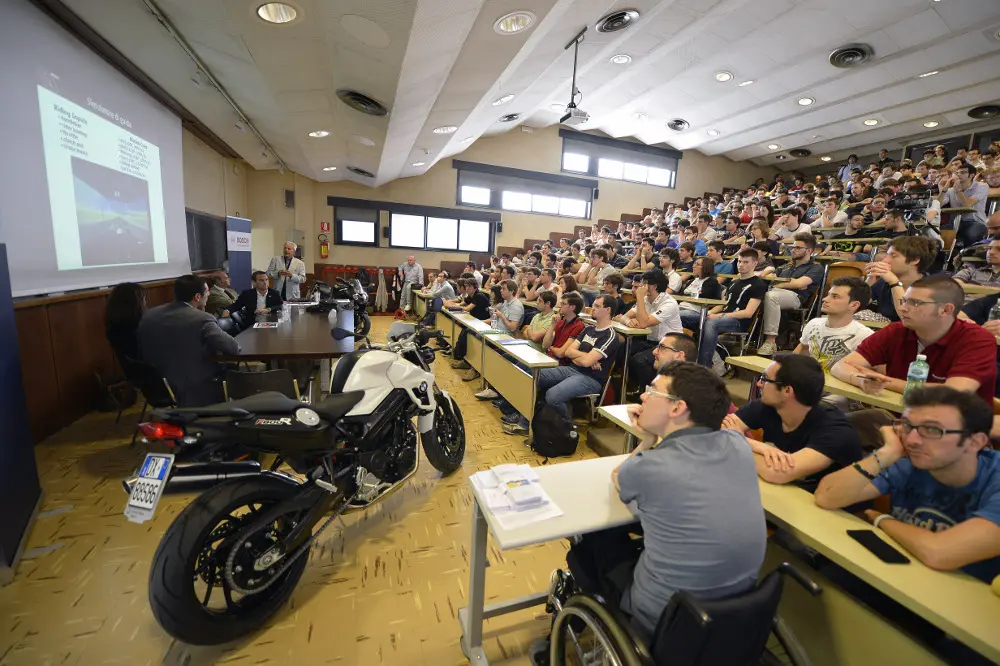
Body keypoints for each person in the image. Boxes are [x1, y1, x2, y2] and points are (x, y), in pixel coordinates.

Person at [558, 362, 765, 645]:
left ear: (677, 408)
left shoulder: (650, 466)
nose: (642, 397)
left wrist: (646, 440)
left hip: (664, 615)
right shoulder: (737, 444)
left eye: (652, 391)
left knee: (589, 538)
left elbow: (619, 478)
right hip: (738, 609)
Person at [814, 386, 1000, 583]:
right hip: (898, 577)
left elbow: (938, 552)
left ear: (975, 441)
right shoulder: (907, 461)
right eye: (908, 426)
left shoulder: (993, 478)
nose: (911, 440)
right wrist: (887, 453)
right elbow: (827, 495)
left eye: (932, 430)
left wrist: (882, 520)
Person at [831, 275, 997, 404]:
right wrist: (860, 380)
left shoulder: (978, 340)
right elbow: (841, 366)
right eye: (904, 301)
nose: (902, 308)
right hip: (897, 417)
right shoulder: (897, 330)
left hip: (954, 433)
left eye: (915, 303)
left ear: (946, 310)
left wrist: (886, 383)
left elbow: (954, 393)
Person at [722, 354, 864, 490]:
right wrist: (758, 447)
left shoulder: (835, 431)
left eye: (765, 379)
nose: (759, 384)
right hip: (783, 498)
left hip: (831, 512)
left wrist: (737, 441)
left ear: (787, 391)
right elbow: (716, 432)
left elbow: (777, 473)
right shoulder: (767, 406)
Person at [503, 295, 621, 435]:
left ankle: (567, 429)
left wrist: (584, 358)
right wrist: (586, 358)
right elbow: (569, 352)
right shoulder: (589, 329)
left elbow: (583, 360)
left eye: (596, 306)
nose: (592, 309)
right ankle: (525, 422)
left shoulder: (609, 335)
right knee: (531, 374)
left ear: (607, 310)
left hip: (590, 378)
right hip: (572, 369)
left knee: (553, 395)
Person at [137, 275, 240, 407]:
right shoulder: (202, 319)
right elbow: (233, 348)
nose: (209, 294)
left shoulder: (149, 315)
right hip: (196, 385)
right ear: (197, 297)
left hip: (155, 385)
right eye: (207, 291)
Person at [758, 233, 825, 356]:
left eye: (798, 248)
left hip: (796, 298)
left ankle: (770, 341)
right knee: (756, 292)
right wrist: (787, 282)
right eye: (793, 247)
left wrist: (777, 284)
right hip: (777, 293)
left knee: (771, 296)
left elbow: (800, 284)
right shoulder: (786, 266)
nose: (793, 250)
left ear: (809, 250)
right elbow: (768, 277)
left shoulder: (816, 268)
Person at [619, 270, 682, 392]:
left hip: (671, 345)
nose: (640, 287)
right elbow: (624, 316)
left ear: (653, 286)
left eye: (644, 283)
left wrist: (639, 297)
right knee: (621, 349)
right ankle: (631, 387)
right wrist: (628, 322)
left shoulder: (669, 303)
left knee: (640, 359)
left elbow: (643, 323)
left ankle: (651, 392)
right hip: (652, 342)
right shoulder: (647, 300)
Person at [794, 277, 873, 371]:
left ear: (854, 305)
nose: (824, 299)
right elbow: (802, 349)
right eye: (828, 294)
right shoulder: (813, 323)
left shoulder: (865, 336)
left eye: (835, 296)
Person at [864, 236, 935, 322]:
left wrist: (895, 283)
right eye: (887, 255)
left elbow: (909, 320)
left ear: (914, 260)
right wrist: (869, 282)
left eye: (893, 256)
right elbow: (854, 305)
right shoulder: (883, 282)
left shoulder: (932, 289)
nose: (885, 260)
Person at [474, 280, 524, 400]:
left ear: (511, 291)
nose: (501, 291)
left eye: (504, 289)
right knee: (475, 334)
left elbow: (512, 328)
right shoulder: (506, 303)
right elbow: (495, 321)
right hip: (498, 332)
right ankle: (477, 369)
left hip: (507, 336)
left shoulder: (516, 306)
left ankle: (491, 385)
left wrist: (501, 316)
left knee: (485, 344)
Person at [937, 162, 989, 250]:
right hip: (955, 222)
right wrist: (944, 189)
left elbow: (968, 205)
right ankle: (945, 260)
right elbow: (938, 204)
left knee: (970, 235)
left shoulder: (982, 186)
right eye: (957, 173)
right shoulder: (951, 190)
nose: (959, 175)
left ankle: (966, 260)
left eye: (963, 172)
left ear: (972, 175)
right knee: (937, 235)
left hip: (976, 221)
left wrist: (958, 191)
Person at [105, 282, 147, 364]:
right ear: (134, 304)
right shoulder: (141, 328)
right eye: (144, 299)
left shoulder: (113, 327)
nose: (145, 303)